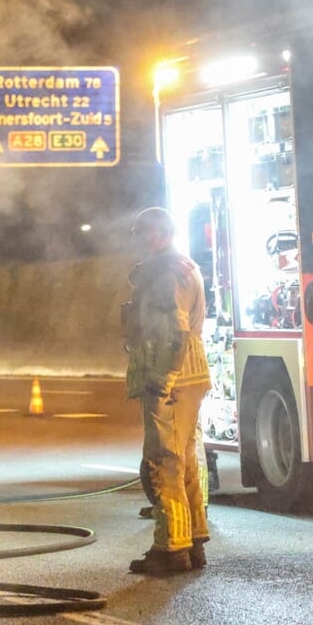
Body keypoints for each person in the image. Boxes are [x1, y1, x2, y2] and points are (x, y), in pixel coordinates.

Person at [123, 206, 212, 575]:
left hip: (170, 379)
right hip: (191, 376)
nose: (143, 240)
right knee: (184, 460)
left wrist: (164, 378)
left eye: (147, 233)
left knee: (163, 463)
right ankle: (194, 540)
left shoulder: (165, 274)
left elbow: (175, 331)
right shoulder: (184, 266)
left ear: (161, 233)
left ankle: (171, 548)